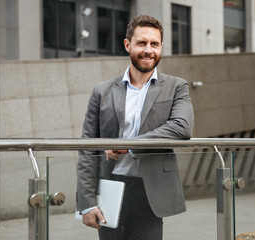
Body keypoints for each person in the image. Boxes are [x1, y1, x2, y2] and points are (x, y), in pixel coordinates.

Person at [76, 15, 194, 240]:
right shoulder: (102, 91)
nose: (148, 50)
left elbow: (182, 127)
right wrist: (86, 203)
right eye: (142, 43)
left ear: (161, 47)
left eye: (154, 44)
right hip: (111, 187)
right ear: (127, 45)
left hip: (150, 191)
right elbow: (87, 148)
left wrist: (130, 147)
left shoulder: (176, 87)